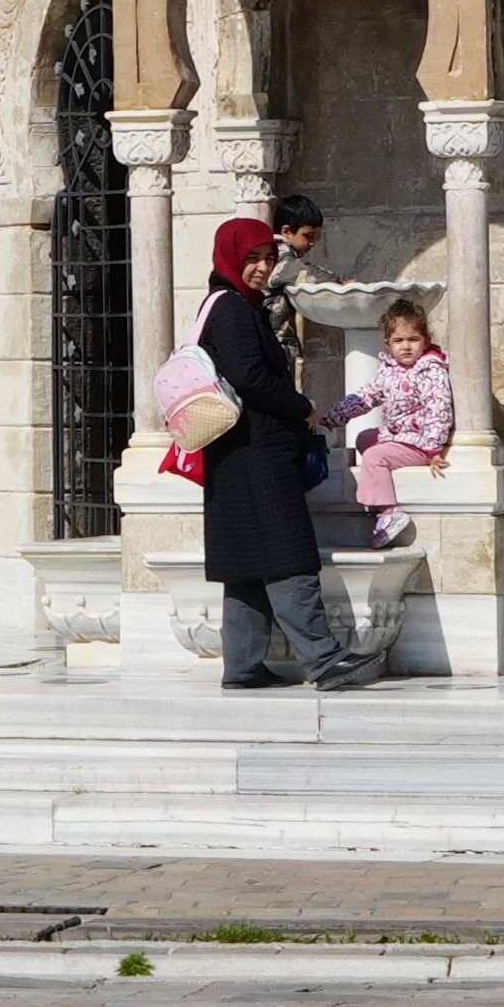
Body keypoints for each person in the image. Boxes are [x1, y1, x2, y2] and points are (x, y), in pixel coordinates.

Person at [192, 217, 375, 692]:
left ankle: (244, 666)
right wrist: (303, 407)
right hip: (254, 453)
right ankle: (323, 658)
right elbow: (248, 376)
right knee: (287, 553)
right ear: (230, 257)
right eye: (251, 258)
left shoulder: (237, 305)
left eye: (267, 258)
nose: (261, 267)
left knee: (248, 561)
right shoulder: (231, 309)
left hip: (240, 455)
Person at [325, 296, 450, 550]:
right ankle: (379, 487)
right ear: (388, 343)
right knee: (364, 439)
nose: (406, 347)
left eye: (413, 340)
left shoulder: (430, 370)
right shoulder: (389, 369)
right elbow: (367, 395)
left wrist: (433, 449)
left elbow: (440, 409)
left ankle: (390, 510)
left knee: (374, 457)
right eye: (399, 340)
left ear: (425, 340)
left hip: (419, 442)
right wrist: (333, 418)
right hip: (398, 435)